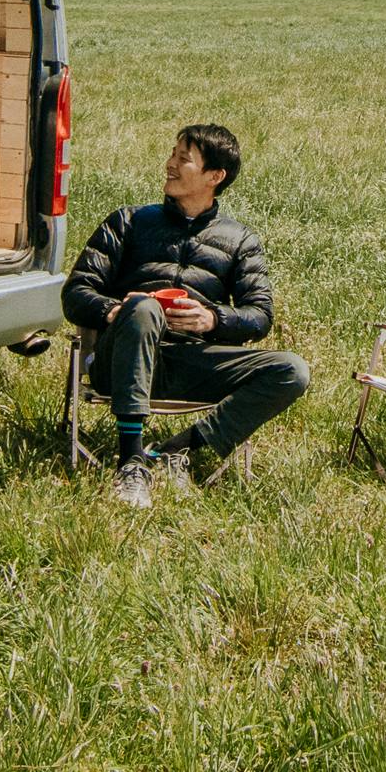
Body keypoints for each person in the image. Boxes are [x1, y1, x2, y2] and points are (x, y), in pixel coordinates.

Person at [62, 123, 305, 507]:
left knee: (292, 370)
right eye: (172, 155)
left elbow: (260, 316)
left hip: (192, 362)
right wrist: (116, 311)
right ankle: (131, 462)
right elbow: (75, 293)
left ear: (214, 176)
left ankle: (179, 449)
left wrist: (212, 319)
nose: (169, 165)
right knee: (143, 307)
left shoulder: (240, 240)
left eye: (183, 159)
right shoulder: (128, 222)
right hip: (120, 359)